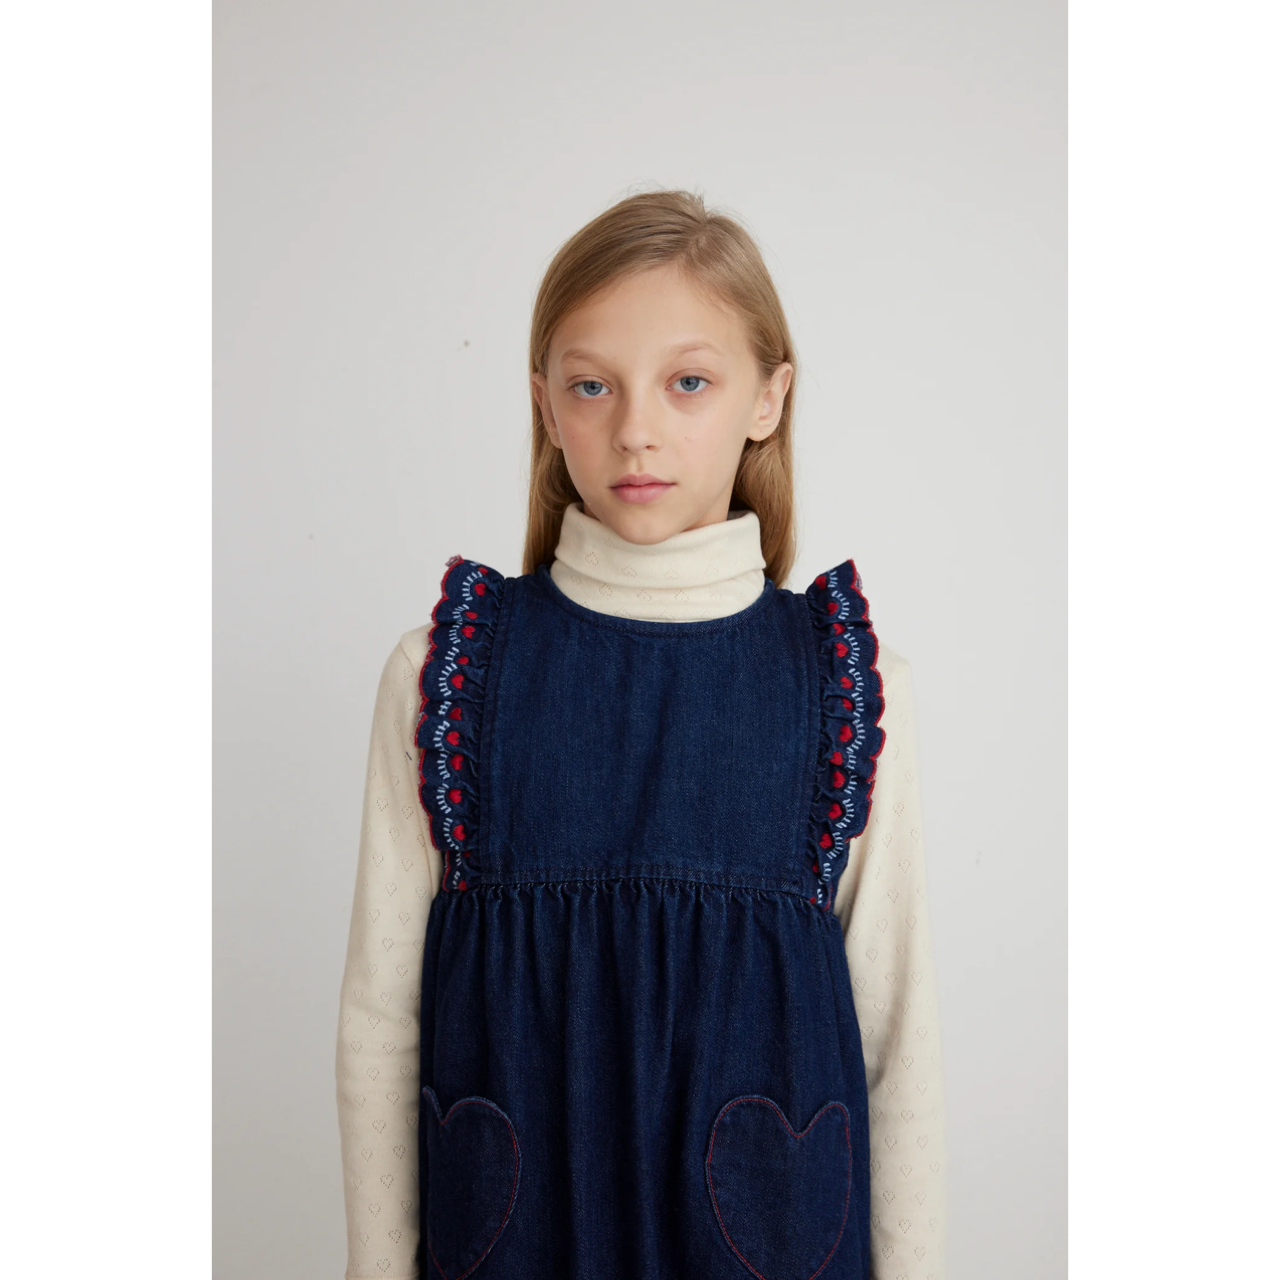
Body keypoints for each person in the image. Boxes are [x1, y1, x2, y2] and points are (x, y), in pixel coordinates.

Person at [336, 190, 945, 1280]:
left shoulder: (850, 689)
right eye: (591, 385)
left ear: (768, 396)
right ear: (543, 404)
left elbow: (897, 1041)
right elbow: (382, 1021)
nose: (635, 429)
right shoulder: (446, 677)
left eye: (687, 382)